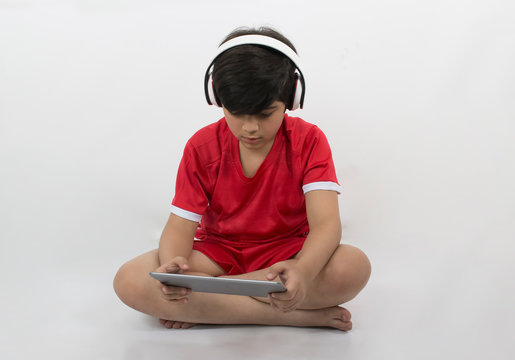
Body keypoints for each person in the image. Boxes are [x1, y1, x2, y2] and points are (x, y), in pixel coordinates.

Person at [113, 26, 371, 331]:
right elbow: (180, 226)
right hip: (218, 255)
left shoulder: (309, 140)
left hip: (288, 254)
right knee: (128, 280)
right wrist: (176, 270)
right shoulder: (201, 146)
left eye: (265, 114)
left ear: (292, 98)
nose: (250, 128)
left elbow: (327, 224)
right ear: (217, 98)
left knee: (353, 267)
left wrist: (302, 270)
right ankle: (285, 314)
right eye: (237, 113)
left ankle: (211, 303)